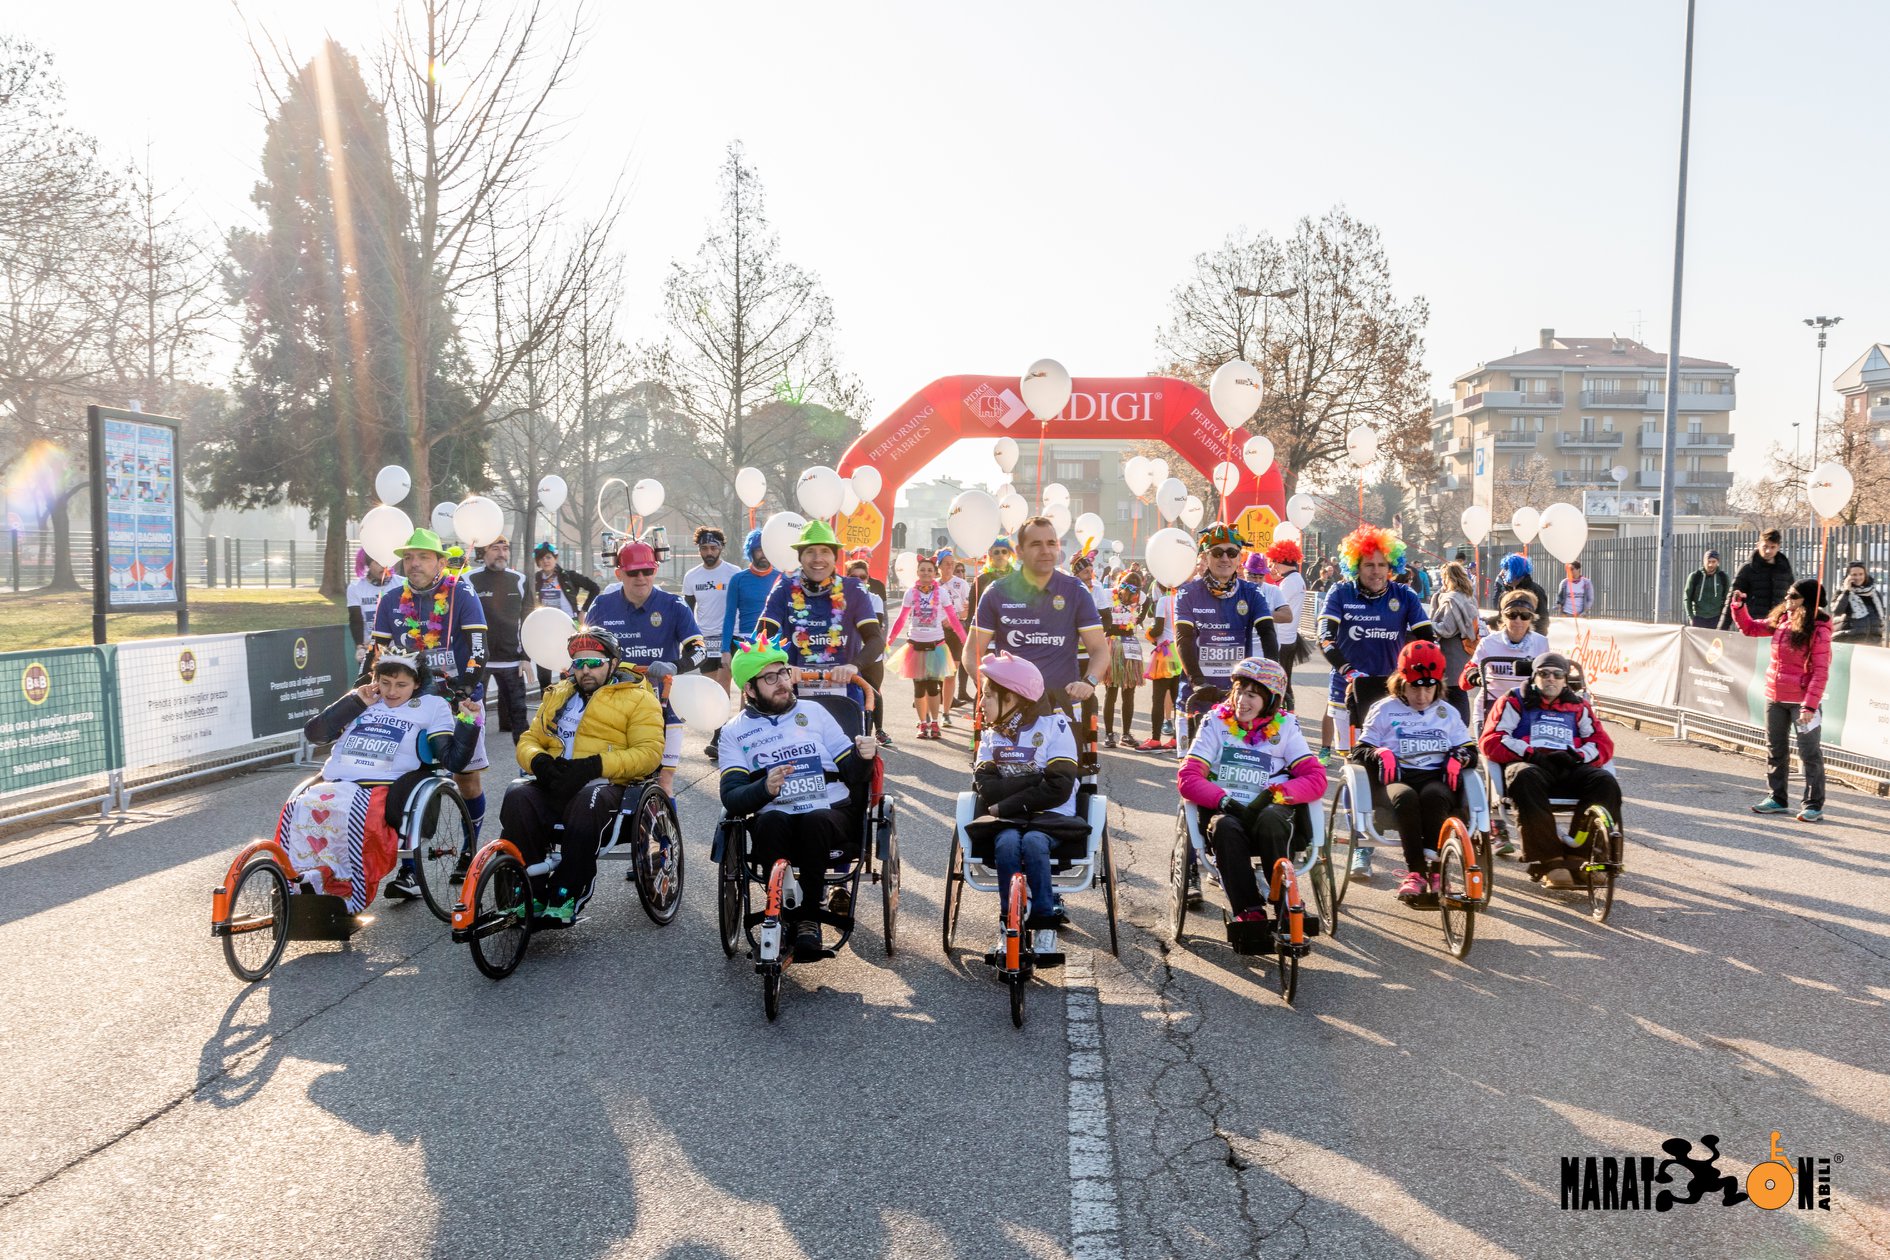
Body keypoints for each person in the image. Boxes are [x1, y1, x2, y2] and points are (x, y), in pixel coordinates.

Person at [718, 637, 880, 961]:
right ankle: (776, 914)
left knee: (815, 820)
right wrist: (764, 788)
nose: (782, 682)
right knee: (772, 822)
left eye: (783, 673)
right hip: (774, 812)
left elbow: (852, 771)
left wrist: (863, 757)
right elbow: (732, 796)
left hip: (829, 808)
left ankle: (808, 920)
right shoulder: (733, 732)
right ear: (750, 690)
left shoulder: (814, 712)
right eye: (770, 678)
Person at [292, 651, 482, 908]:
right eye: (385, 683)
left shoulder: (431, 706)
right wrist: (354, 703)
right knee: (297, 809)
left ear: (416, 684)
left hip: (383, 786)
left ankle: (346, 893)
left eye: (401, 685)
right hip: (336, 782)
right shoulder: (362, 699)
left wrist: (468, 720)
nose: (392, 691)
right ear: (375, 680)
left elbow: (453, 761)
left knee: (359, 819)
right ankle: (302, 883)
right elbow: (314, 734)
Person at [503, 627, 665, 923]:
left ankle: (566, 894)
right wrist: (539, 762)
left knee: (588, 799)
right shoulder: (558, 694)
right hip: (557, 781)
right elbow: (529, 739)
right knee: (517, 795)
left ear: (613, 664)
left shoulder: (639, 698)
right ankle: (532, 892)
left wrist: (593, 766)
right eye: (578, 664)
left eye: (594, 663)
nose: (585, 670)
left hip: (607, 786)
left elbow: (649, 754)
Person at [370, 527, 491, 882]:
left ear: (441, 561)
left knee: (465, 777)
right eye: (408, 557)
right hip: (410, 702)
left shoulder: (461, 592)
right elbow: (376, 656)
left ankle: (470, 849)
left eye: (423, 557)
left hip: (457, 698)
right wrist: (368, 689)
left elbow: (480, 649)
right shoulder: (392, 598)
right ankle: (408, 868)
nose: (414, 564)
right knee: (404, 778)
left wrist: (467, 685)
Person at [1316, 524, 1436, 879]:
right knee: (1356, 770)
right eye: (1368, 564)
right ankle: (1362, 847)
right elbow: (1325, 637)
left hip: (1396, 695)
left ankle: (1414, 834)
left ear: (1392, 566)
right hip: (1348, 693)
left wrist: (1427, 666)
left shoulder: (1405, 595)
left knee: (1402, 764)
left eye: (1382, 565)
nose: (1376, 571)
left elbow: (1426, 638)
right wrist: (1348, 670)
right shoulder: (1340, 592)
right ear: (1355, 566)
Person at [1176, 656, 1327, 929]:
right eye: (1238, 692)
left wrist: (1276, 794)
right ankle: (1249, 908)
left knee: (1271, 819)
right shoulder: (1215, 722)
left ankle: (1285, 902)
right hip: (1227, 808)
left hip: (1272, 808)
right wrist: (1223, 800)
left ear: (1270, 700)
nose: (1241, 701)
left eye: (1252, 695)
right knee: (1224, 827)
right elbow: (1188, 778)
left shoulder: (1286, 727)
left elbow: (1316, 778)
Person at [967, 652, 1084, 951]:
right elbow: (987, 789)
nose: (981, 703)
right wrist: (1035, 780)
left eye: (988, 696)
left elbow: (1058, 789)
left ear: (1013, 698)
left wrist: (1007, 802)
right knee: (1006, 845)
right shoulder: (991, 737)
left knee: (1033, 843)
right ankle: (1008, 922)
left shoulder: (1055, 727)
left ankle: (1045, 923)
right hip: (1009, 821)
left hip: (1052, 817)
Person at [1479, 651, 1622, 890]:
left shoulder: (1579, 706)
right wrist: (1530, 753)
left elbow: (1602, 743)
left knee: (1605, 781)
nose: (1550, 679)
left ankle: (1581, 859)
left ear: (1565, 679)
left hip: (1569, 765)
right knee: (1525, 776)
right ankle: (1549, 862)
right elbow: (1492, 739)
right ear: (1535, 676)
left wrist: (1577, 756)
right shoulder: (1513, 700)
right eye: (1544, 674)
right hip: (1531, 764)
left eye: (1557, 674)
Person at [1353, 641, 1476, 907]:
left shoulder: (1447, 712)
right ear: (1401, 682)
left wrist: (1460, 758)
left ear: (1438, 685)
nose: (1421, 696)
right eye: (1414, 687)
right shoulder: (1384, 709)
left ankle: (1436, 873)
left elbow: (1469, 749)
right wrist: (1379, 753)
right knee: (1406, 797)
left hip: (1435, 778)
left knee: (1434, 796)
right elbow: (1360, 751)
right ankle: (1416, 873)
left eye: (1428, 688)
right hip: (1397, 778)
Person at [586, 540, 705, 798]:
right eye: (632, 572)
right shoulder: (601, 605)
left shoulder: (674, 605)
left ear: (655, 570)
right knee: (613, 781)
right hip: (616, 707)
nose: (641, 578)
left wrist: (675, 665)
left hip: (664, 707)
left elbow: (699, 650)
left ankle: (665, 838)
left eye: (647, 571)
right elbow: (585, 652)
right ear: (619, 574)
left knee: (663, 783)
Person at [970, 516, 1110, 721]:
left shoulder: (1076, 590)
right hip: (1009, 711)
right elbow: (971, 651)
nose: (1045, 550)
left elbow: (1099, 650)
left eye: (1051, 543)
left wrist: (1088, 682)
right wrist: (983, 681)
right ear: (1019, 551)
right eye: (1036, 544)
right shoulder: (996, 592)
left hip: (1062, 710)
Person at [1731, 579, 1831, 822]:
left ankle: (1813, 804)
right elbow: (1751, 628)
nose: (1787, 599)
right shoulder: (1783, 620)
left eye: (1793, 596)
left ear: (1806, 602)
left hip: (1802, 703)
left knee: (1809, 754)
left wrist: (1809, 705)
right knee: (1776, 749)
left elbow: (1820, 671)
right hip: (1774, 697)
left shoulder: (1819, 630)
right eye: (1787, 595)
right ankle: (1777, 798)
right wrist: (1738, 607)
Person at [757, 520, 885, 706]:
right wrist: (781, 667)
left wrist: (854, 666)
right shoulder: (783, 589)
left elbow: (875, 639)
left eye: (825, 551)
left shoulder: (854, 588)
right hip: (795, 698)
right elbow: (761, 639)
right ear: (800, 558)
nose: (818, 558)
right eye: (810, 552)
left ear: (835, 557)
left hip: (845, 697)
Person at [1175, 523, 1280, 739]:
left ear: (1239, 558)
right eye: (1217, 552)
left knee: (1236, 765)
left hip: (1239, 696)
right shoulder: (1187, 593)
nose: (1225, 558)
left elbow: (1268, 633)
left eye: (1232, 552)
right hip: (1197, 691)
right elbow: (1183, 639)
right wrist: (1196, 681)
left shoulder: (1252, 592)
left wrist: (1273, 678)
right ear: (1206, 558)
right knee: (1192, 768)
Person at [887, 551, 964, 739]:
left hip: (936, 645)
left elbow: (953, 618)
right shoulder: (910, 593)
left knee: (933, 687)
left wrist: (964, 638)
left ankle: (935, 723)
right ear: (918, 572)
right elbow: (901, 618)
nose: (926, 573)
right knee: (919, 688)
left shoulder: (942, 593)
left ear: (934, 572)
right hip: (915, 646)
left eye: (930, 570)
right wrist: (889, 640)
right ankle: (923, 723)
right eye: (922, 570)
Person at [468, 536, 532, 740]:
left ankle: (528, 767)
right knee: (472, 718)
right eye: (495, 548)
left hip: (512, 661)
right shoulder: (468, 580)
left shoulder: (519, 580)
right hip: (478, 662)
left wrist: (526, 657)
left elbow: (529, 621)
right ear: (483, 553)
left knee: (520, 717)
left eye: (505, 548)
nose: (501, 553)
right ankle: (470, 767)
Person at [1430, 560, 1483, 725]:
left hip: (1451, 652)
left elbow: (1446, 628)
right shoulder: (1468, 597)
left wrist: (1428, 624)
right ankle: (1461, 727)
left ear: (1448, 578)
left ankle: (1458, 728)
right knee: (1460, 691)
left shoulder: (1451, 599)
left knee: (1452, 693)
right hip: (1464, 650)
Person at [846, 556, 891, 745]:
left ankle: (877, 731)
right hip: (849, 655)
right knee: (852, 694)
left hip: (871, 655)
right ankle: (857, 731)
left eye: (863, 577)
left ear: (868, 579)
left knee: (874, 691)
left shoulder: (875, 599)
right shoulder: (839, 599)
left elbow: (875, 628)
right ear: (846, 578)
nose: (859, 581)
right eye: (853, 577)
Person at [1099, 571, 1145, 748]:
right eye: (1125, 587)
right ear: (1119, 584)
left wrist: (1139, 619)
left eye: (1133, 590)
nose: (1128, 594)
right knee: (1112, 690)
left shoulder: (1140, 598)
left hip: (1130, 645)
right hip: (1112, 645)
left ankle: (1124, 734)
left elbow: (1147, 602)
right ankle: (1110, 734)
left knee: (1128, 691)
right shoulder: (1107, 595)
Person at [1137, 579, 1182, 751]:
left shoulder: (1164, 600)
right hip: (1180, 652)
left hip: (1165, 654)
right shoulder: (1184, 598)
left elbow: (1158, 629)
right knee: (1179, 699)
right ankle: (1178, 739)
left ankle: (1156, 739)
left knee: (1158, 699)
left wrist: (1149, 635)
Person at [721, 527, 777, 660]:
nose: (763, 554)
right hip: (748, 641)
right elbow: (729, 616)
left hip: (775, 641)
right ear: (751, 552)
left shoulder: (781, 578)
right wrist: (725, 650)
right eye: (759, 550)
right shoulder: (738, 579)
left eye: (767, 549)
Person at [1727, 528, 1794, 629]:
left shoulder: (1784, 568)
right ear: (1758, 545)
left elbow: (1794, 597)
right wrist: (1721, 630)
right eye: (1765, 546)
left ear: (1778, 547)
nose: (1768, 551)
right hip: (1753, 626)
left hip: (1779, 625)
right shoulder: (1747, 569)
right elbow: (1732, 600)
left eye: (1772, 547)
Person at [345, 550, 401, 662]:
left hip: (399, 649)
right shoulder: (355, 587)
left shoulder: (403, 583)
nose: (384, 566)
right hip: (370, 650)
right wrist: (360, 647)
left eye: (386, 561)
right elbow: (356, 620)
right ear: (367, 564)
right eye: (377, 562)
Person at [940, 553, 975, 708]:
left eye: (951, 563)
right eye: (946, 563)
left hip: (956, 630)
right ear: (939, 566)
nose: (949, 566)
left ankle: (947, 705)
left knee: (951, 671)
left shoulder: (961, 584)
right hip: (937, 631)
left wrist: (953, 618)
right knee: (937, 670)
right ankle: (939, 700)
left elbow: (969, 610)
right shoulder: (933, 585)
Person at [1828, 561, 1884, 644]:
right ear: (1848, 576)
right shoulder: (1841, 592)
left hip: (1872, 642)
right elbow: (1837, 611)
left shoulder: (1874, 593)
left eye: (1861, 574)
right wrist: (1846, 591)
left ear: (1865, 575)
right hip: (1848, 642)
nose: (1858, 577)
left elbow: (1879, 618)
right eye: (1854, 574)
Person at [1496, 553, 1550, 635]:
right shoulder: (1505, 594)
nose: (1502, 573)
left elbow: (1543, 621)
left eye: (1506, 569)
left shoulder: (1536, 591)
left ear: (1516, 570)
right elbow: (1501, 619)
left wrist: (1531, 641)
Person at [1684, 550, 1730, 629]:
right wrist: (1691, 617)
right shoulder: (1695, 576)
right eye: (1708, 561)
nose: (1710, 564)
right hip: (1698, 617)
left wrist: (1724, 619)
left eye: (1713, 561)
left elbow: (1728, 599)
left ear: (1718, 562)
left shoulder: (1723, 577)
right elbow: (1687, 598)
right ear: (1704, 561)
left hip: (1716, 618)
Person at [971, 535, 1016, 616]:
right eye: (996, 552)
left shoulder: (1018, 577)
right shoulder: (981, 580)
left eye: (1004, 551)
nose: (1000, 555)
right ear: (991, 555)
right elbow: (972, 612)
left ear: (1009, 554)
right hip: (988, 625)